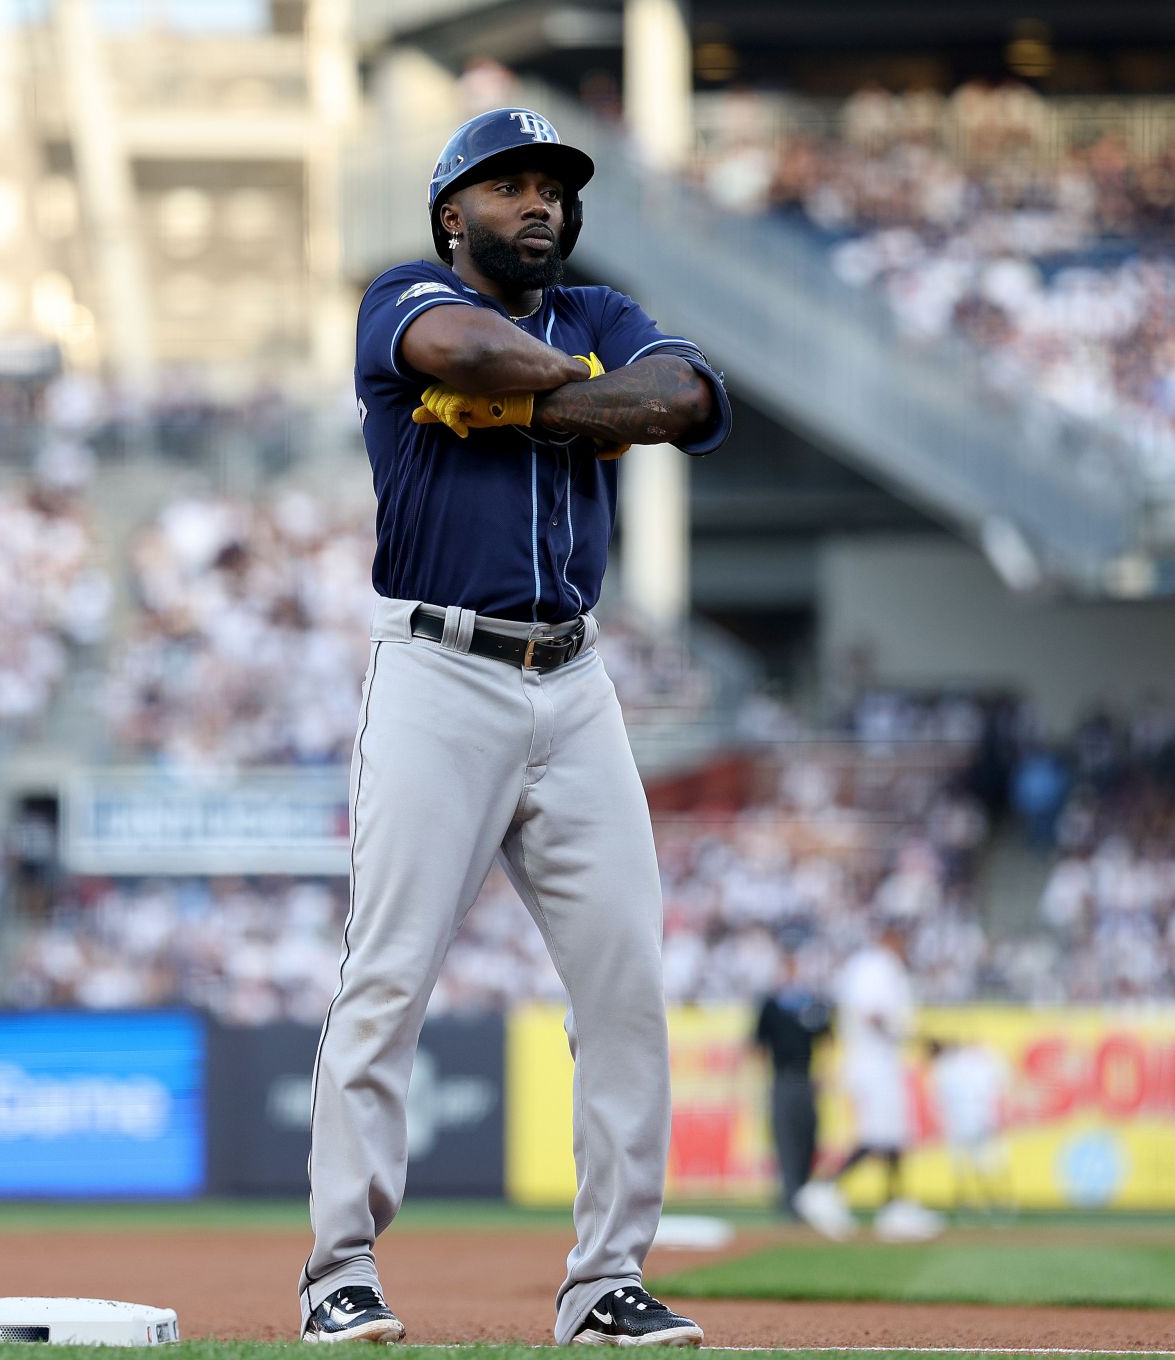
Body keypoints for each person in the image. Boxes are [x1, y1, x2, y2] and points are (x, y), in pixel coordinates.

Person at [298, 107, 731, 1347]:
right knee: (387, 975)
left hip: (577, 681)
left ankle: (605, 1282)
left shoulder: (598, 314)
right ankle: (341, 1267)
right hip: (439, 672)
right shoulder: (402, 293)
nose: (537, 203)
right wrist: (596, 405)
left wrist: (559, 401)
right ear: (453, 213)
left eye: (551, 186)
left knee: (626, 983)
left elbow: (691, 396)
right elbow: (460, 352)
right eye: (508, 187)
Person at [792, 921, 942, 1242]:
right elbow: (874, 1014)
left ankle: (896, 1206)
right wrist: (915, 1037)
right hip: (874, 1062)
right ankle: (823, 1188)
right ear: (890, 936)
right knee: (878, 1136)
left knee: (894, 1135)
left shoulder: (867, 965)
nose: (906, 946)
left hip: (877, 1061)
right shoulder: (878, 965)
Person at [751, 952, 833, 1217]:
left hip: (807, 1079)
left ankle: (803, 1193)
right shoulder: (772, 1005)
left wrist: (825, 1073)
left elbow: (827, 1038)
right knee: (786, 1140)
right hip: (782, 1078)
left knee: (808, 1138)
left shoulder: (811, 1004)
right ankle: (791, 1199)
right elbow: (758, 1045)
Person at [926, 1036, 1013, 1217]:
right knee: (979, 1164)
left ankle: (987, 1203)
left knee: (976, 1164)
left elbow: (936, 1100)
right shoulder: (964, 1063)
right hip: (974, 1120)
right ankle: (992, 1203)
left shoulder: (949, 1066)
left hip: (972, 1121)